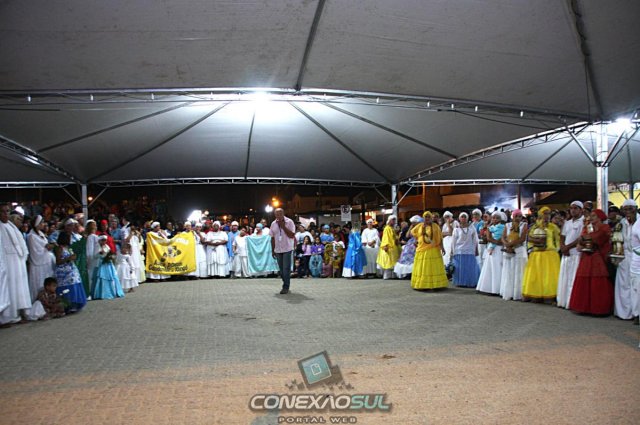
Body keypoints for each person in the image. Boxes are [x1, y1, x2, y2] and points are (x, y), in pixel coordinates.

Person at [569, 209, 613, 315]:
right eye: (591, 216)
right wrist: (580, 243)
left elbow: (596, 238)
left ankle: (598, 308)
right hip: (587, 256)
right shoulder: (587, 227)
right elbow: (582, 240)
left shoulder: (605, 227)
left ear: (599, 217)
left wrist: (583, 239)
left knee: (597, 281)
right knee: (584, 281)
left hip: (598, 257)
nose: (591, 218)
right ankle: (583, 307)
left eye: (593, 216)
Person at [0, 203, 32, 325]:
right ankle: (8, 316)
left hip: (17, 262)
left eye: (7, 211)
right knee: (9, 289)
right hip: (6, 263)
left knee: (19, 288)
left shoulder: (10, 225)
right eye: (3, 211)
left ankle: (19, 313)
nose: (6, 214)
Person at [522, 207, 561, 303]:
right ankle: (536, 294)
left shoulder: (553, 227)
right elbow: (529, 239)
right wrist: (535, 245)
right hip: (537, 254)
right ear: (540, 214)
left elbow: (558, 240)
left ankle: (549, 295)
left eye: (548, 214)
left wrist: (555, 250)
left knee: (549, 276)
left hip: (550, 255)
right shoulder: (534, 227)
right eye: (545, 213)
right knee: (536, 276)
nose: (547, 216)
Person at [613, 199, 639, 320]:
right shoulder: (621, 223)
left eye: (630, 208)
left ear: (636, 208)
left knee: (636, 287)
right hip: (624, 257)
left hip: (637, 257)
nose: (628, 211)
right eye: (625, 209)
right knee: (623, 285)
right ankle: (623, 313)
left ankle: (636, 314)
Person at [556, 201, 585, 308]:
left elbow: (581, 238)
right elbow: (562, 236)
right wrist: (562, 247)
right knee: (564, 277)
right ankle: (562, 301)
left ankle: (571, 302)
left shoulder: (583, 222)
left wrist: (568, 247)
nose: (573, 210)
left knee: (573, 279)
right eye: (571, 208)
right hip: (566, 254)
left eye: (575, 208)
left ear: (581, 210)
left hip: (576, 254)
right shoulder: (567, 223)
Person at [411, 211, 449, 290]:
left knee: (433, 267)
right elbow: (413, 232)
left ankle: (437, 285)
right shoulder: (420, 226)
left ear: (431, 218)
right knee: (423, 268)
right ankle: (423, 285)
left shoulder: (435, 226)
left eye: (429, 217)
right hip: (421, 249)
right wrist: (417, 240)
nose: (427, 218)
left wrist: (442, 247)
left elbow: (440, 238)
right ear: (423, 218)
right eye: (426, 217)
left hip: (433, 249)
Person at [54, 231, 88, 311]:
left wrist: (73, 257)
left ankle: (75, 304)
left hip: (72, 270)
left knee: (75, 284)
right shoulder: (60, 248)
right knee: (67, 286)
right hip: (64, 272)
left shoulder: (68, 248)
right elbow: (58, 261)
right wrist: (68, 259)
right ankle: (68, 305)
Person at [499, 209, 528, 300]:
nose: (518, 218)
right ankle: (509, 292)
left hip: (519, 250)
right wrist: (507, 245)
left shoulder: (524, 225)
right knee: (509, 271)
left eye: (520, 216)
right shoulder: (507, 225)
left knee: (519, 271)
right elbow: (503, 237)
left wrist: (510, 245)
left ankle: (518, 294)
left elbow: (522, 238)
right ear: (512, 216)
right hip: (508, 250)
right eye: (516, 216)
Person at [27, 215, 56, 301]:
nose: (43, 224)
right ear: (37, 224)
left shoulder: (40, 234)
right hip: (38, 264)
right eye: (42, 222)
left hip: (45, 263)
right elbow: (35, 251)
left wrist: (49, 246)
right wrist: (47, 247)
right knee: (38, 284)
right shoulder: (31, 236)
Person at [476, 211, 506, 295]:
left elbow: (503, 238)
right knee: (490, 267)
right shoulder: (490, 227)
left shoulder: (504, 227)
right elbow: (488, 238)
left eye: (497, 218)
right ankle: (489, 288)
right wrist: (495, 241)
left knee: (498, 267)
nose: (495, 219)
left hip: (499, 249)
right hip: (492, 248)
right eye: (493, 218)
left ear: (501, 219)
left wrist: (499, 241)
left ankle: (498, 289)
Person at [451, 212, 480, 288]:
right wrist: (453, 251)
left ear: (467, 218)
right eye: (462, 217)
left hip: (469, 251)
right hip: (459, 251)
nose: (463, 218)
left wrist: (476, 250)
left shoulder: (472, 228)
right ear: (459, 218)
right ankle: (460, 282)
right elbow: (453, 241)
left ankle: (469, 282)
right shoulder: (456, 229)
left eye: (465, 217)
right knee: (460, 268)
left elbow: (475, 240)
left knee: (469, 267)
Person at [270, 208, 296, 294]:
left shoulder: (290, 222)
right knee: (281, 270)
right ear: (275, 215)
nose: (279, 216)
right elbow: (272, 238)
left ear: (283, 213)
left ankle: (286, 286)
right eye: (277, 214)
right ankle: (285, 282)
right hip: (278, 249)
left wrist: (283, 226)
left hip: (287, 248)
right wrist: (273, 250)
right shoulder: (273, 224)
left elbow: (292, 235)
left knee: (286, 269)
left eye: (280, 214)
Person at [91, 235, 125, 300]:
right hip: (100, 264)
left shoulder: (107, 246)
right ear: (99, 241)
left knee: (111, 277)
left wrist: (110, 256)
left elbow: (110, 253)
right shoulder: (97, 247)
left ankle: (112, 291)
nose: (104, 242)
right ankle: (100, 293)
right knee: (101, 277)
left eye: (105, 240)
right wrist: (100, 253)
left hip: (108, 264)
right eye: (102, 240)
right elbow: (94, 256)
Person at [377, 215, 400, 279]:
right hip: (389, 247)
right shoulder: (387, 228)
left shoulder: (392, 228)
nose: (394, 221)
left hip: (394, 247)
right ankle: (387, 276)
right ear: (389, 220)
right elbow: (385, 238)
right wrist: (385, 246)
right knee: (388, 262)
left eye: (395, 220)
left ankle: (393, 275)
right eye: (393, 220)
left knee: (393, 262)